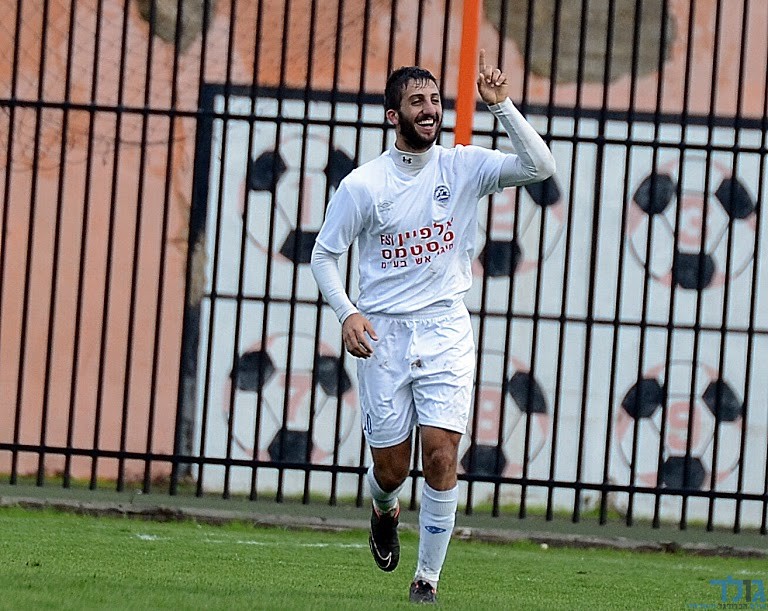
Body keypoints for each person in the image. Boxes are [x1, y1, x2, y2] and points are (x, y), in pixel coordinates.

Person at [310, 50, 555, 604]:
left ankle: (427, 580)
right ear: (393, 115)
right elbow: (324, 255)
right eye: (416, 101)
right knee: (392, 469)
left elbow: (541, 166)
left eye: (435, 100)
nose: (429, 109)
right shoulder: (364, 185)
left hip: (445, 329)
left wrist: (502, 107)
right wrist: (348, 312)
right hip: (383, 335)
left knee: (443, 455)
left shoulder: (461, 167)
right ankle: (383, 509)